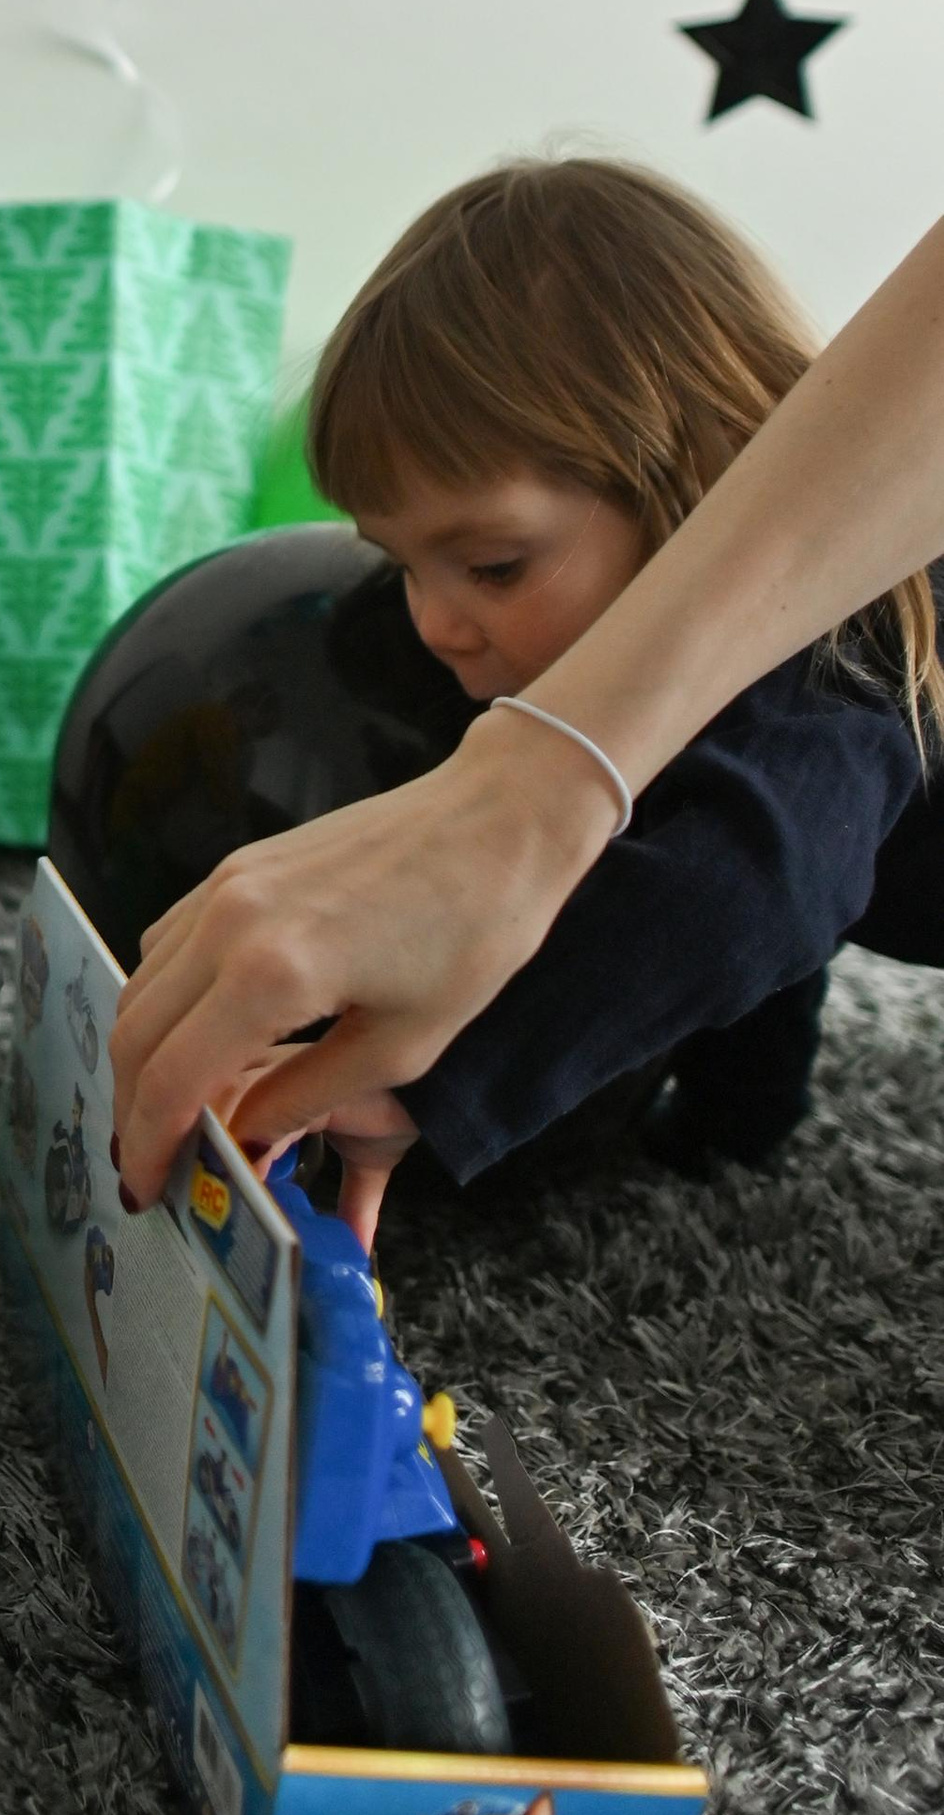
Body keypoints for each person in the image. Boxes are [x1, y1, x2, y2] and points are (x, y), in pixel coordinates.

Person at [112, 184, 944, 1209]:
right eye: (402, 566)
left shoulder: (823, 652)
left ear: (703, 466)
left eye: (494, 567)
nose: (434, 626)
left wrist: (436, 1085)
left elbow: (741, 893)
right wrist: (737, 1124)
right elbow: (780, 907)